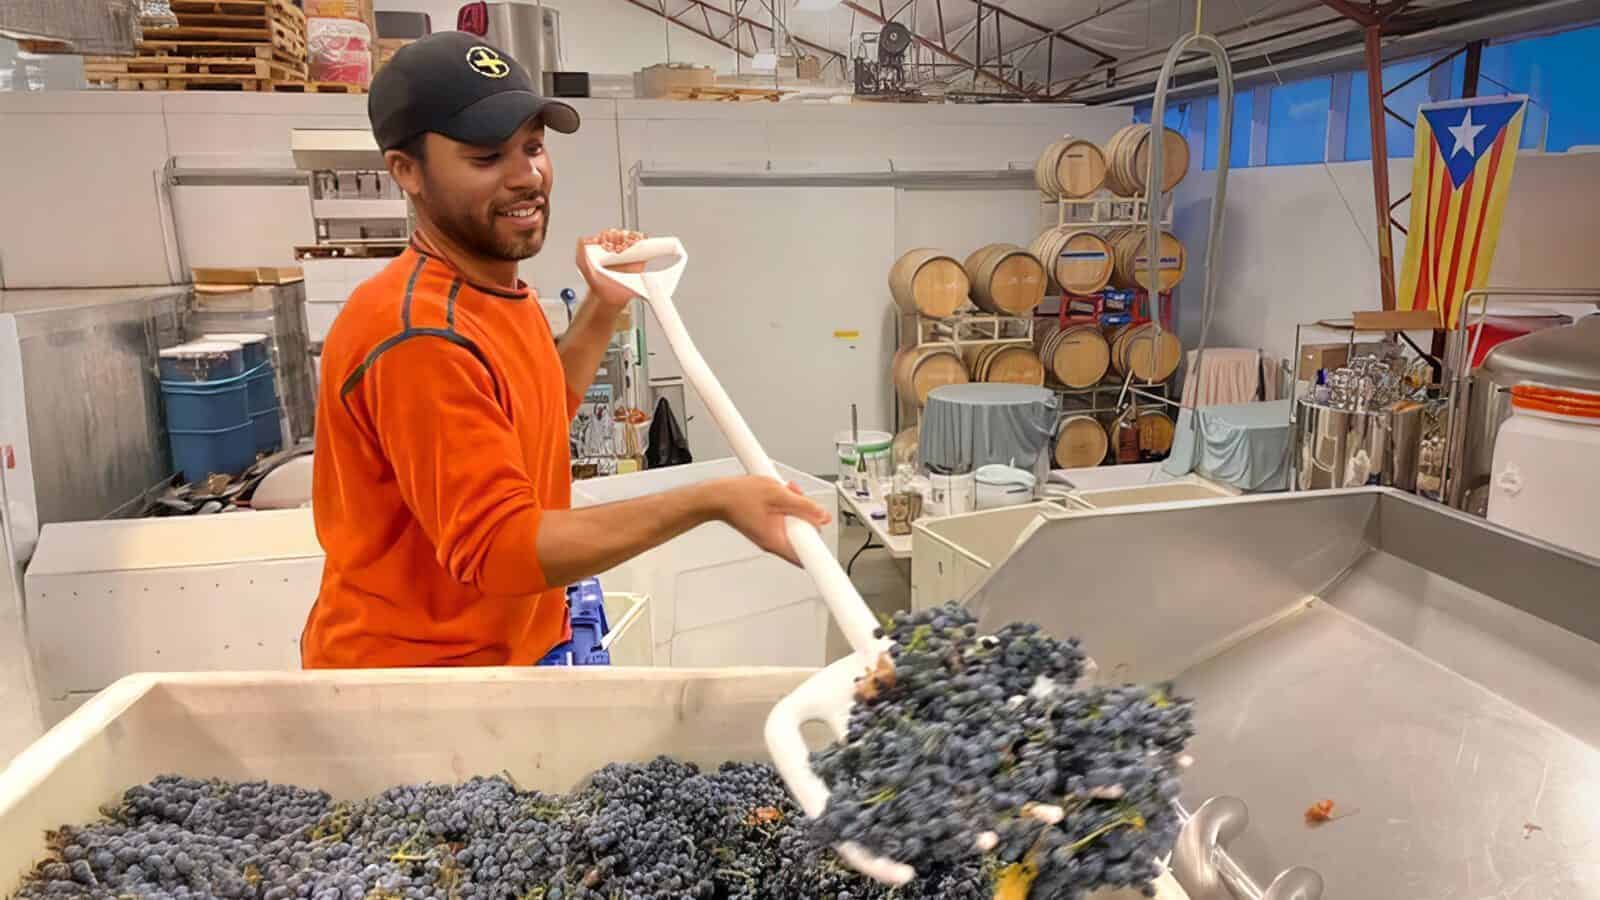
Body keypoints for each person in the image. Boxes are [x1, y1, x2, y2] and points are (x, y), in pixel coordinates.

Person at [303, 32, 829, 668]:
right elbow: (500, 548)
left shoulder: (491, 290)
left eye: (533, 146)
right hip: (422, 687)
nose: (528, 176)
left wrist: (603, 305)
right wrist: (710, 499)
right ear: (406, 171)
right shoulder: (418, 334)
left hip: (506, 652)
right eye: (487, 157)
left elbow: (537, 410)